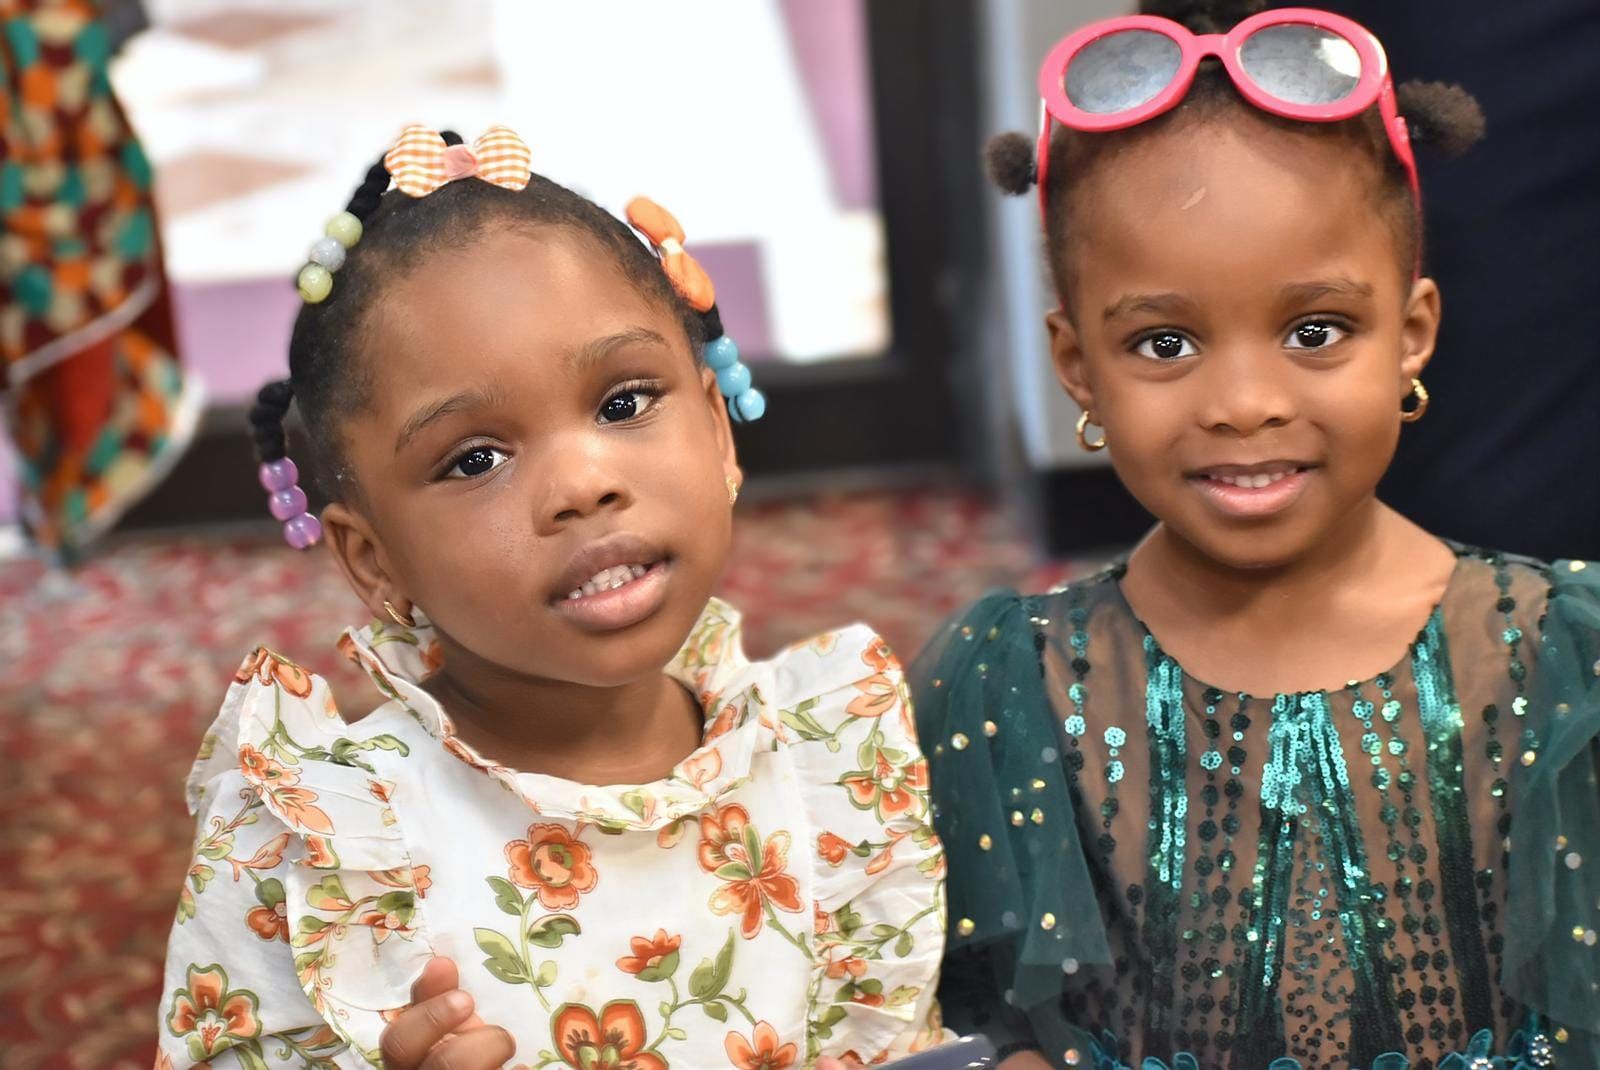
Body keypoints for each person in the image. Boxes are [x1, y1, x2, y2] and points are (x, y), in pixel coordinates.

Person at [156, 124, 945, 1069]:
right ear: (374, 562)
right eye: (474, 459)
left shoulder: (834, 767)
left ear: (719, 430)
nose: (583, 483)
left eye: (624, 403)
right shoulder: (320, 839)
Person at [915, 1, 1600, 1067]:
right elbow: (1002, 1018)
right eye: (1165, 340)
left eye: (1313, 330)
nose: (1242, 400)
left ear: (1412, 331)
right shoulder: (1008, 683)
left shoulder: (1564, 656)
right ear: (1077, 363)